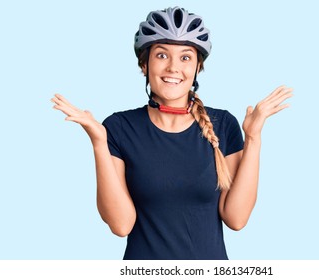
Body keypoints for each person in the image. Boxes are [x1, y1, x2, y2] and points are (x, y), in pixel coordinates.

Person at [51, 7, 293, 260]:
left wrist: (253, 138)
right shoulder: (118, 127)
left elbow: (236, 218)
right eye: (162, 55)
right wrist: (98, 143)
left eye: (186, 57)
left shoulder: (223, 124)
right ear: (144, 64)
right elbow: (121, 225)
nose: (173, 67)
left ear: (198, 67)